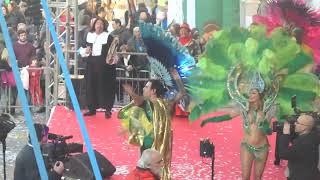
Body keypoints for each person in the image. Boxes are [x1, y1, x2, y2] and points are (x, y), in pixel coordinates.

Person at [119, 69, 186, 180]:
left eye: (146, 87)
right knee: (157, 171)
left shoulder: (148, 103)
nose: (143, 89)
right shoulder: (166, 104)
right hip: (155, 146)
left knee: (147, 172)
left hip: (150, 147)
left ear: (153, 91)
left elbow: (137, 100)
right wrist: (177, 79)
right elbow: (182, 93)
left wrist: (131, 93)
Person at [79, 17, 116, 119]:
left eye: (101, 24)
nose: (99, 26)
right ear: (94, 25)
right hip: (91, 64)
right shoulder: (88, 35)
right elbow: (81, 49)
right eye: (97, 24)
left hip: (104, 66)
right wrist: (85, 51)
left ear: (104, 26)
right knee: (91, 86)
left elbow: (113, 52)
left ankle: (108, 110)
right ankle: (92, 109)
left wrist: (112, 59)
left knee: (105, 87)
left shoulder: (109, 37)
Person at [279, 114, 320, 180]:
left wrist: (285, 135)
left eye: (297, 122)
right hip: (312, 175)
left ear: (304, 127)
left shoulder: (302, 142)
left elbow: (283, 153)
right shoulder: (313, 136)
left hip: (300, 176)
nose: (295, 124)